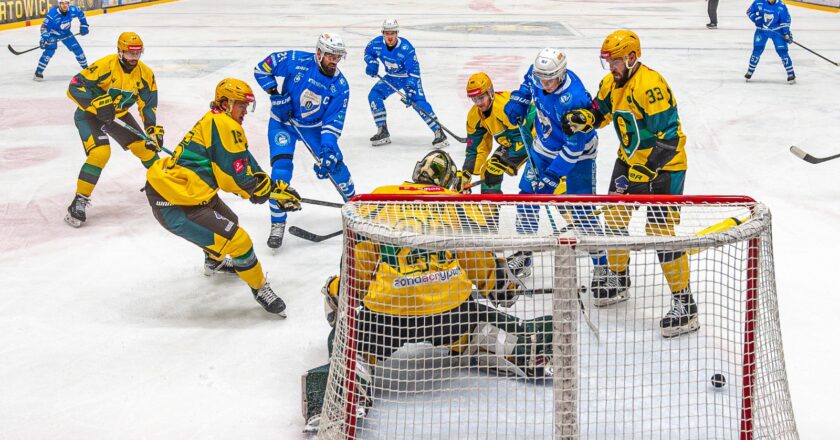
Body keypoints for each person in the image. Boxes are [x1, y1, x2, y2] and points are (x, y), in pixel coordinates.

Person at [300, 150, 552, 432]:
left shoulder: (376, 200)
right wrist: (503, 288)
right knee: (479, 322)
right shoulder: (455, 203)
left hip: (386, 315)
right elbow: (478, 261)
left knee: (347, 337)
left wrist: (335, 292)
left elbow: (355, 280)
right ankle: (526, 346)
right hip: (449, 313)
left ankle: (344, 389)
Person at [562, 30, 694, 338]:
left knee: (660, 235)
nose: (612, 67)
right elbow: (600, 112)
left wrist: (648, 169)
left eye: (617, 61)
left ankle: (685, 303)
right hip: (629, 161)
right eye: (608, 62)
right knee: (614, 220)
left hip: (665, 168)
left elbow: (671, 138)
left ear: (632, 57)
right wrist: (584, 118)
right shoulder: (611, 83)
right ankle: (619, 278)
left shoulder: (650, 86)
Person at [145, 78, 301, 317]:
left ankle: (214, 261)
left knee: (230, 221)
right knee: (239, 241)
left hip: (190, 194)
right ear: (226, 103)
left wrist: (272, 187)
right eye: (241, 105)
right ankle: (260, 288)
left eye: (247, 105)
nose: (245, 111)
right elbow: (232, 178)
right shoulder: (223, 124)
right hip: (175, 203)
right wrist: (268, 193)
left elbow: (245, 160)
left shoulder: (220, 120)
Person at [503, 48, 607, 286]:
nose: (544, 84)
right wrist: (519, 101)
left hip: (580, 155)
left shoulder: (574, 98)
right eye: (541, 78)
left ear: (561, 74)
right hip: (544, 147)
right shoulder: (537, 75)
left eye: (549, 80)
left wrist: (553, 176)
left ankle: (602, 266)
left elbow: (574, 147)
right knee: (527, 198)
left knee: (581, 209)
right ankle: (524, 254)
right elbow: (527, 86)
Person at [254, 32, 355, 250]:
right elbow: (261, 69)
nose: (335, 61)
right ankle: (277, 223)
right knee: (281, 171)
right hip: (282, 123)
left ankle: (355, 205)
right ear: (318, 53)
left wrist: (328, 150)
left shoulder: (340, 86)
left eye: (338, 57)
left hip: (313, 128)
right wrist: (275, 94)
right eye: (331, 56)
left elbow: (332, 123)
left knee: (335, 164)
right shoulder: (295, 60)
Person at [64, 32, 162, 228]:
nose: (134, 58)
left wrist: (151, 131)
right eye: (130, 53)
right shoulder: (105, 65)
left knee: (146, 147)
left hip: (118, 115)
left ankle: (164, 185)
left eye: (137, 53)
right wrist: (96, 104)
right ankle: (79, 200)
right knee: (100, 153)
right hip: (89, 114)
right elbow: (74, 86)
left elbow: (148, 105)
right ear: (120, 51)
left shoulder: (145, 74)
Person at [364, 18, 449, 148]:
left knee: (418, 103)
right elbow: (368, 52)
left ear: (397, 33)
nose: (390, 36)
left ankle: (439, 132)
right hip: (391, 77)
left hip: (409, 78)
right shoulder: (376, 43)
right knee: (374, 95)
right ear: (383, 33)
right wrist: (372, 63)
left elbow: (414, 70)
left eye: (392, 33)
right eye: (387, 33)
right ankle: (382, 130)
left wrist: (410, 89)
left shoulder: (406, 48)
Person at [456, 72, 532, 195]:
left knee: (543, 177)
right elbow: (475, 148)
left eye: (481, 98)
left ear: (490, 92)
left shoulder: (505, 108)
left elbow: (524, 140)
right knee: (488, 169)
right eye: (474, 99)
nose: (478, 103)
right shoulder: (474, 115)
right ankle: (490, 206)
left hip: (537, 136)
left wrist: (502, 163)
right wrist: (467, 173)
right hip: (514, 141)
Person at [35, 0, 89, 80]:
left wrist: (84, 25)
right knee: (50, 50)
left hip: (66, 33)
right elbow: (44, 27)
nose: (64, 5)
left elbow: (81, 14)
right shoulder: (52, 13)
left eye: (66, 3)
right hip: (53, 34)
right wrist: (44, 38)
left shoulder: (73, 9)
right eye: (62, 3)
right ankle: (38, 72)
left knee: (77, 49)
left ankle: (87, 70)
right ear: (59, 4)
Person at [745, 0, 795, 84]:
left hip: (777, 31)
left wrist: (786, 33)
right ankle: (750, 71)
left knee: (782, 51)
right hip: (762, 30)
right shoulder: (758, 2)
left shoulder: (781, 6)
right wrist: (756, 18)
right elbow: (749, 11)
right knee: (757, 49)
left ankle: (791, 73)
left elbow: (785, 21)